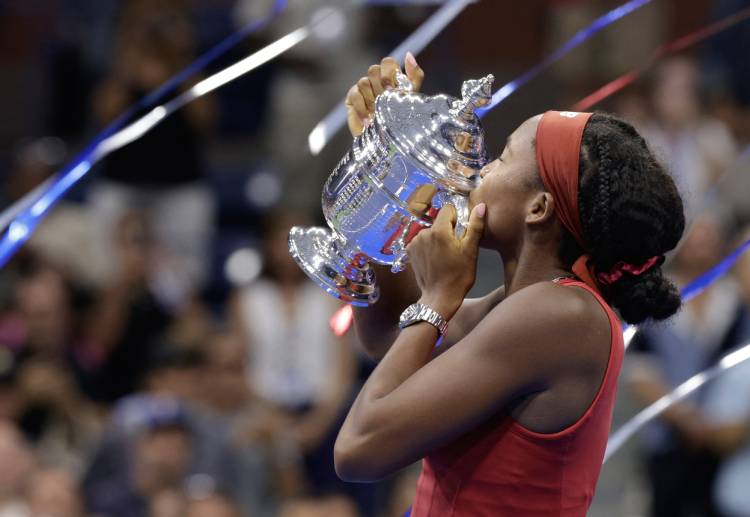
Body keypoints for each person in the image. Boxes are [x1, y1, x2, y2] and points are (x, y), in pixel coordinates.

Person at [333, 56, 686, 515]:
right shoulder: (526, 306)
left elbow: (359, 449)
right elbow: (389, 340)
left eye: (501, 157)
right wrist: (387, 170)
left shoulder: (562, 317)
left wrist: (439, 297)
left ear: (538, 208)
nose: (480, 169)